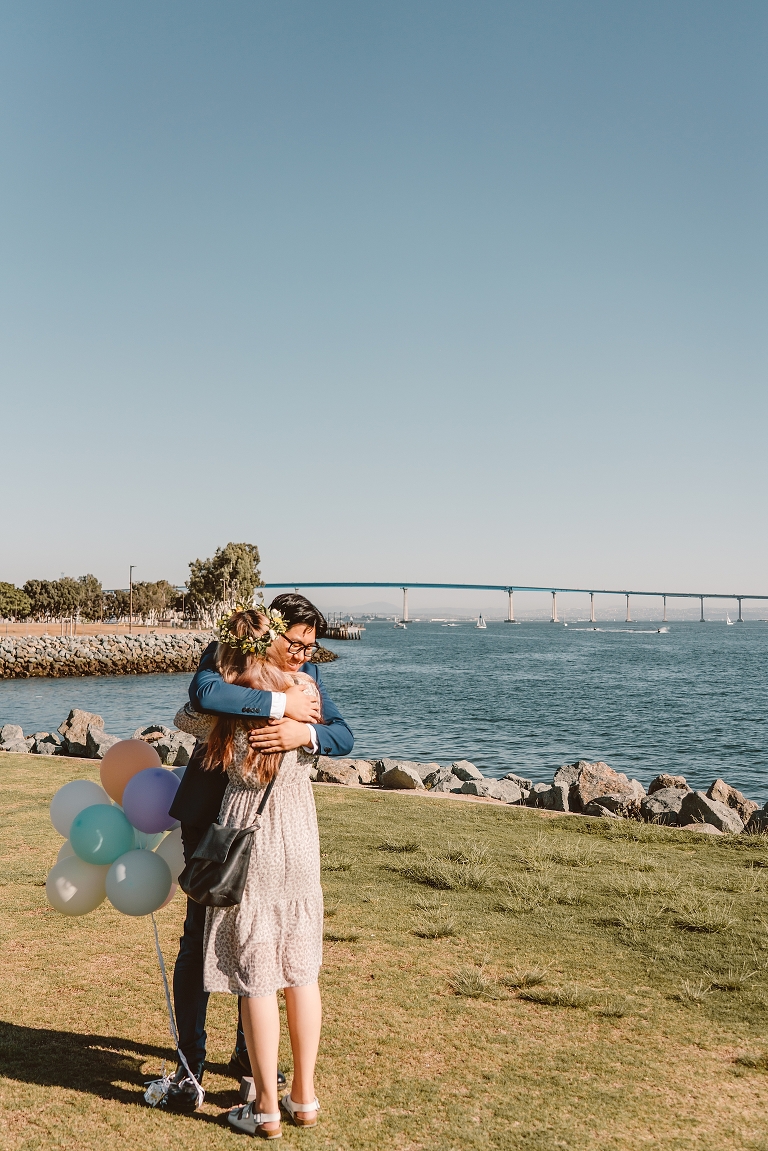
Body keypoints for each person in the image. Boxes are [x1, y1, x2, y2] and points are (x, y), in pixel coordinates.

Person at [165, 593, 353, 1121]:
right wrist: (279, 705)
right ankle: (189, 1063)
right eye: (294, 642)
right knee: (200, 940)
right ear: (268, 631)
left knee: (263, 952)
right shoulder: (227, 654)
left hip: (268, 818)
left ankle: (255, 1070)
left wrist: (305, 731)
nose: (302, 654)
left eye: (309, 646)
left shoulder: (306, 674)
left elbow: (343, 734)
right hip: (213, 818)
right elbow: (201, 696)